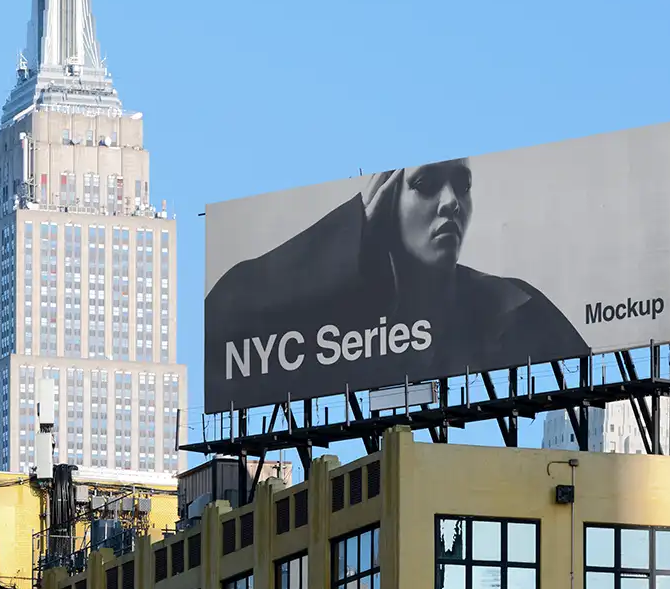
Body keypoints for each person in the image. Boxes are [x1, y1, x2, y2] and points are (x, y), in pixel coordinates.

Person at [204, 158, 588, 406]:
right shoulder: (332, 319)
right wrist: (351, 231)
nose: (452, 201)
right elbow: (226, 318)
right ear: (386, 202)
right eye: (426, 184)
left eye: (463, 184)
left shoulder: (518, 307)